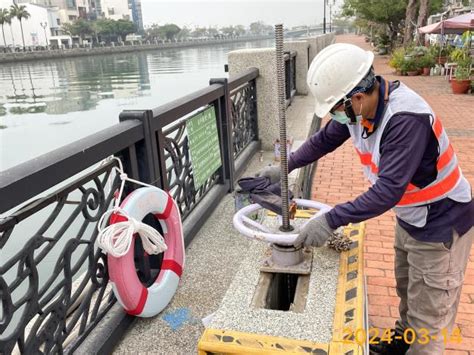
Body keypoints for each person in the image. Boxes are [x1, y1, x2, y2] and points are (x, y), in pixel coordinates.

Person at [258, 43, 473, 354]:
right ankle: (401, 340)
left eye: (335, 109)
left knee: (430, 313)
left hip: (442, 224)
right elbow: (324, 140)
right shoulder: (362, 110)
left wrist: (330, 220)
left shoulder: (404, 119)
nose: (334, 117)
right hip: (412, 215)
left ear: (356, 98)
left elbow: (386, 192)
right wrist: (285, 165)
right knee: (408, 288)